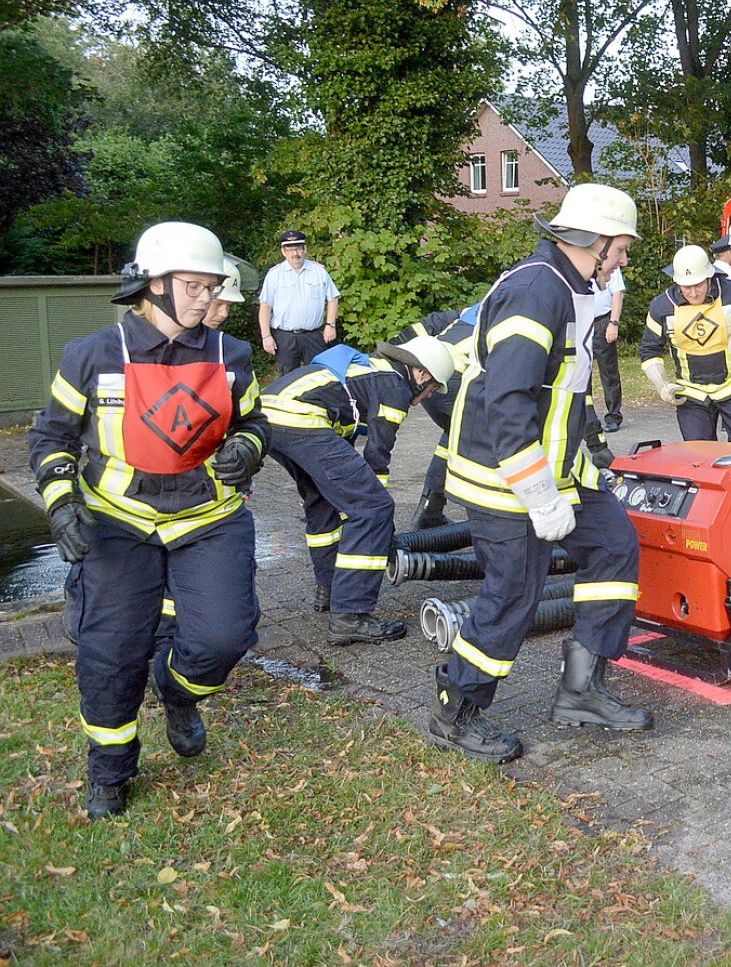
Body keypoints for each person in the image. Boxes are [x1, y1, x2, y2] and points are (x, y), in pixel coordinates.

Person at [30, 222, 267, 819]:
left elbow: (256, 425)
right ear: (152, 285)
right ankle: (110, 770)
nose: (207, 299)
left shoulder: (231, 356)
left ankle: (179, 693)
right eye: (194, 286)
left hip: (208, 519)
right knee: (110, 652)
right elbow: (51, 438)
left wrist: (249, 447)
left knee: (223, 638)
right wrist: (61, 502)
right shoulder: (90, 355)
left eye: (212, 287)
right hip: (116, 522)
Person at [433, 184, 651, 761]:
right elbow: (508, 400)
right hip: (506, 479)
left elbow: (565, 399)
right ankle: (457, 711)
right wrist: (536, 491)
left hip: (558, 477)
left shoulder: (573, 288)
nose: (625, 261)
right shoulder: (536, 290)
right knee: (513, 596)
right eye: (622, 248)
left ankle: (581, 690)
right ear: (596, 241)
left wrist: (583, 470)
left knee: (615, 545)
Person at [262, 335, 453, 643]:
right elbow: (377, 456)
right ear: (421, 374)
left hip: (269, 418)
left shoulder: (371, 371)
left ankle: (330, 589)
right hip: (301, 418)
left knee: (321, 500)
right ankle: (351, 615)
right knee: (372, 509)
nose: (429, 396)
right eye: (431, 387)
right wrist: (380, 524)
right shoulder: (394, 386)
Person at [640, 243, 731, 443]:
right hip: (691, 391)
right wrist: (662, 385)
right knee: (699, 456)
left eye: (698, 285)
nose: (693, 293)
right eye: (686, 287)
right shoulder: (661, 306)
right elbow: (648, 351)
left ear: (710, 277)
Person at [392, 304, 480, 529]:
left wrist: (397, 348)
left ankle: (430, 512)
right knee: (489, 441)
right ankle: (490, 520)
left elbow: (429, 323)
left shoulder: (481, 305)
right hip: (456, 376)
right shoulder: (527, 308)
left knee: (453, 436)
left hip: (434, 372)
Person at [258, 230, 341, 376]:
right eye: (290, 249)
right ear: (283, 252)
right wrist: (266, 336)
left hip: (314, 336)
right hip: (286, 338)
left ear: (305, 249)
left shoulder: (319, 271)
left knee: (319, 376)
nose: (294, 253)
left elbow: (333, 298)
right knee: (287, 378)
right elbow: (265, 307)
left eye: (298, 248)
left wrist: (330, 325)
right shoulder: (274, 274)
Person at [589, 268, 626, 433]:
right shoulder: (578, 261)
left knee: (609, 371)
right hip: (580, 321)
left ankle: (613, 416)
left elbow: (618, 293)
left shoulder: (610, 264)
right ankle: (585, 416)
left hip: (602, 321)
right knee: (580, 374)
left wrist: (614, 323)